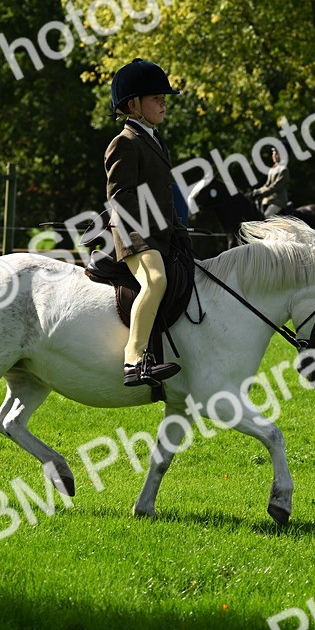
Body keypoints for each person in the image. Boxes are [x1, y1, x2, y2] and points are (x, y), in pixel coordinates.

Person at [104, 58, 191, 388]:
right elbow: (121, 199)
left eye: (163, 97)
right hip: (134, 234)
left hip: (159, 233)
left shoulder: (154, 139)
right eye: (156, 98)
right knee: (156, 280)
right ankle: (134, 359)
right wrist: (152, 229)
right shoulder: (123, 143)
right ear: (133, 105)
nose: (163, 102)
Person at [253, 147, 290, 216]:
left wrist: (262, 193)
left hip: (278, 200)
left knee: (266, 216)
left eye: (275, 153)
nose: (273, 155)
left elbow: (276, 186)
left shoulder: (283, 169)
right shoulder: (272, 169)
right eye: (273, 153)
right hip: (268, 200)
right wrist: (257, 191)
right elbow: (267, 185)